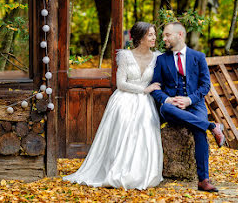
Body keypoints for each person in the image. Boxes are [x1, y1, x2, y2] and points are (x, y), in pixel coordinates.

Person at [63, 22, 163, 190]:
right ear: (140, 38)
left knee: (145, 132)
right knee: (122, 133)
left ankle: (140, 173)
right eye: (150, 35)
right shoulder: (125, 56)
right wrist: (144, 89)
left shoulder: (157, 57)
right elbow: (120, 83)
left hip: (145, 103)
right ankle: (116, 171)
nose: (154, 38)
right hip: (124, 99)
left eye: (154, 34)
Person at [150, 21, 225, 193]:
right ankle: (213, 127)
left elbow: (205, 85)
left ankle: (203, 180)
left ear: (180, 35)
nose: (164, 38)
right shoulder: (162, 60)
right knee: (165, 109)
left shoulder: (198, 57)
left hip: (194, 104)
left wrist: (189, 100)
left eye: (167, 34)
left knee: (199, 130)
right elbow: (154, 86)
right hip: (172, 107)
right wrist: (168, 99)